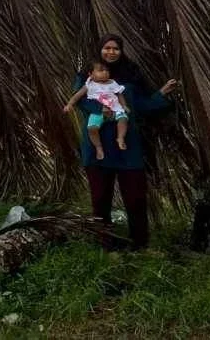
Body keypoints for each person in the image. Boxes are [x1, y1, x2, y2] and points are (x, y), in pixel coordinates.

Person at [70, 34, 178, 250]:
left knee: (136, 199)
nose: (111, 52)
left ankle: (139, 246)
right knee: (100, 200)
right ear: (100, 50)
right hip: (98, 146)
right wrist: (103, 110)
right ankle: (105, 245)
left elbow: (143, 106)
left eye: (116, 48)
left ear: (122, 51)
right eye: (107, 48)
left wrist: (161, 95)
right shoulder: (87, 75)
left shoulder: (131, 75)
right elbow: (80, 100)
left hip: (128, 146)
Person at [63, 59, 131, 160]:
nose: (105, 72)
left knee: (124, 119)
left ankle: (120, 138)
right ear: (91, 74)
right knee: (91, 128)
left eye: (107, 70)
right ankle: (98, 147)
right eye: (101, 70)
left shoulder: (112, 82)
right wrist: (69, 104)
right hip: (97, 111)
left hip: (115, 108)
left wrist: (124, 106)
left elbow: (119, 94)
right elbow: (77, 95)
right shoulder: (89, 85)